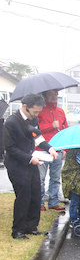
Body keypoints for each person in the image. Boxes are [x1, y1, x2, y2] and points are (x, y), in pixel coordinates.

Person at [3, 94, 58, 239]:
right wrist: (29, 158)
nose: (36, 115)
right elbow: (10, 148)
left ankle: (31, 226)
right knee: (24, 195)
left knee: (35, 192)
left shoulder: (33, 120)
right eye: (34, 112)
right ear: (25, 107)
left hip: (32, 160)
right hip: (17, 164)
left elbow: (37, 137)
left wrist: (49, 148)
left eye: (38, 112)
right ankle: (18, 230)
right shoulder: (11, 122)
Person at [37, 89, 68, 212]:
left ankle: (53, 201)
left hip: (58, 149)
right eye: (51, 93)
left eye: (56, 93)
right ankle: (39, 202)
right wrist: (51, 126)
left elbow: (65, 130)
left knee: (55, 178)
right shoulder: (39, 110)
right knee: (40, 178)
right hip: (41, 149)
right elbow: (35, 130)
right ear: (44, 95)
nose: (54, 95)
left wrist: (65, 148)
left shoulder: (60, 111)